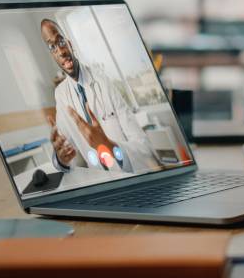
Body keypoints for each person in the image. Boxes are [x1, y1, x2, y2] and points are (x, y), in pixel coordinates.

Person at [41, 19, 157, 174]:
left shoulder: (103, 80)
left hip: (129, 175)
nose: (60, 51)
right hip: (100, 181)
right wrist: (62, 158)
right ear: (52, 55)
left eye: (61, 42)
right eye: (52, 46)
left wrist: (108, 145)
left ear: (70, 44)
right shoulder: (61, 94)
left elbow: (144, 147)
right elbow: (67, 152)